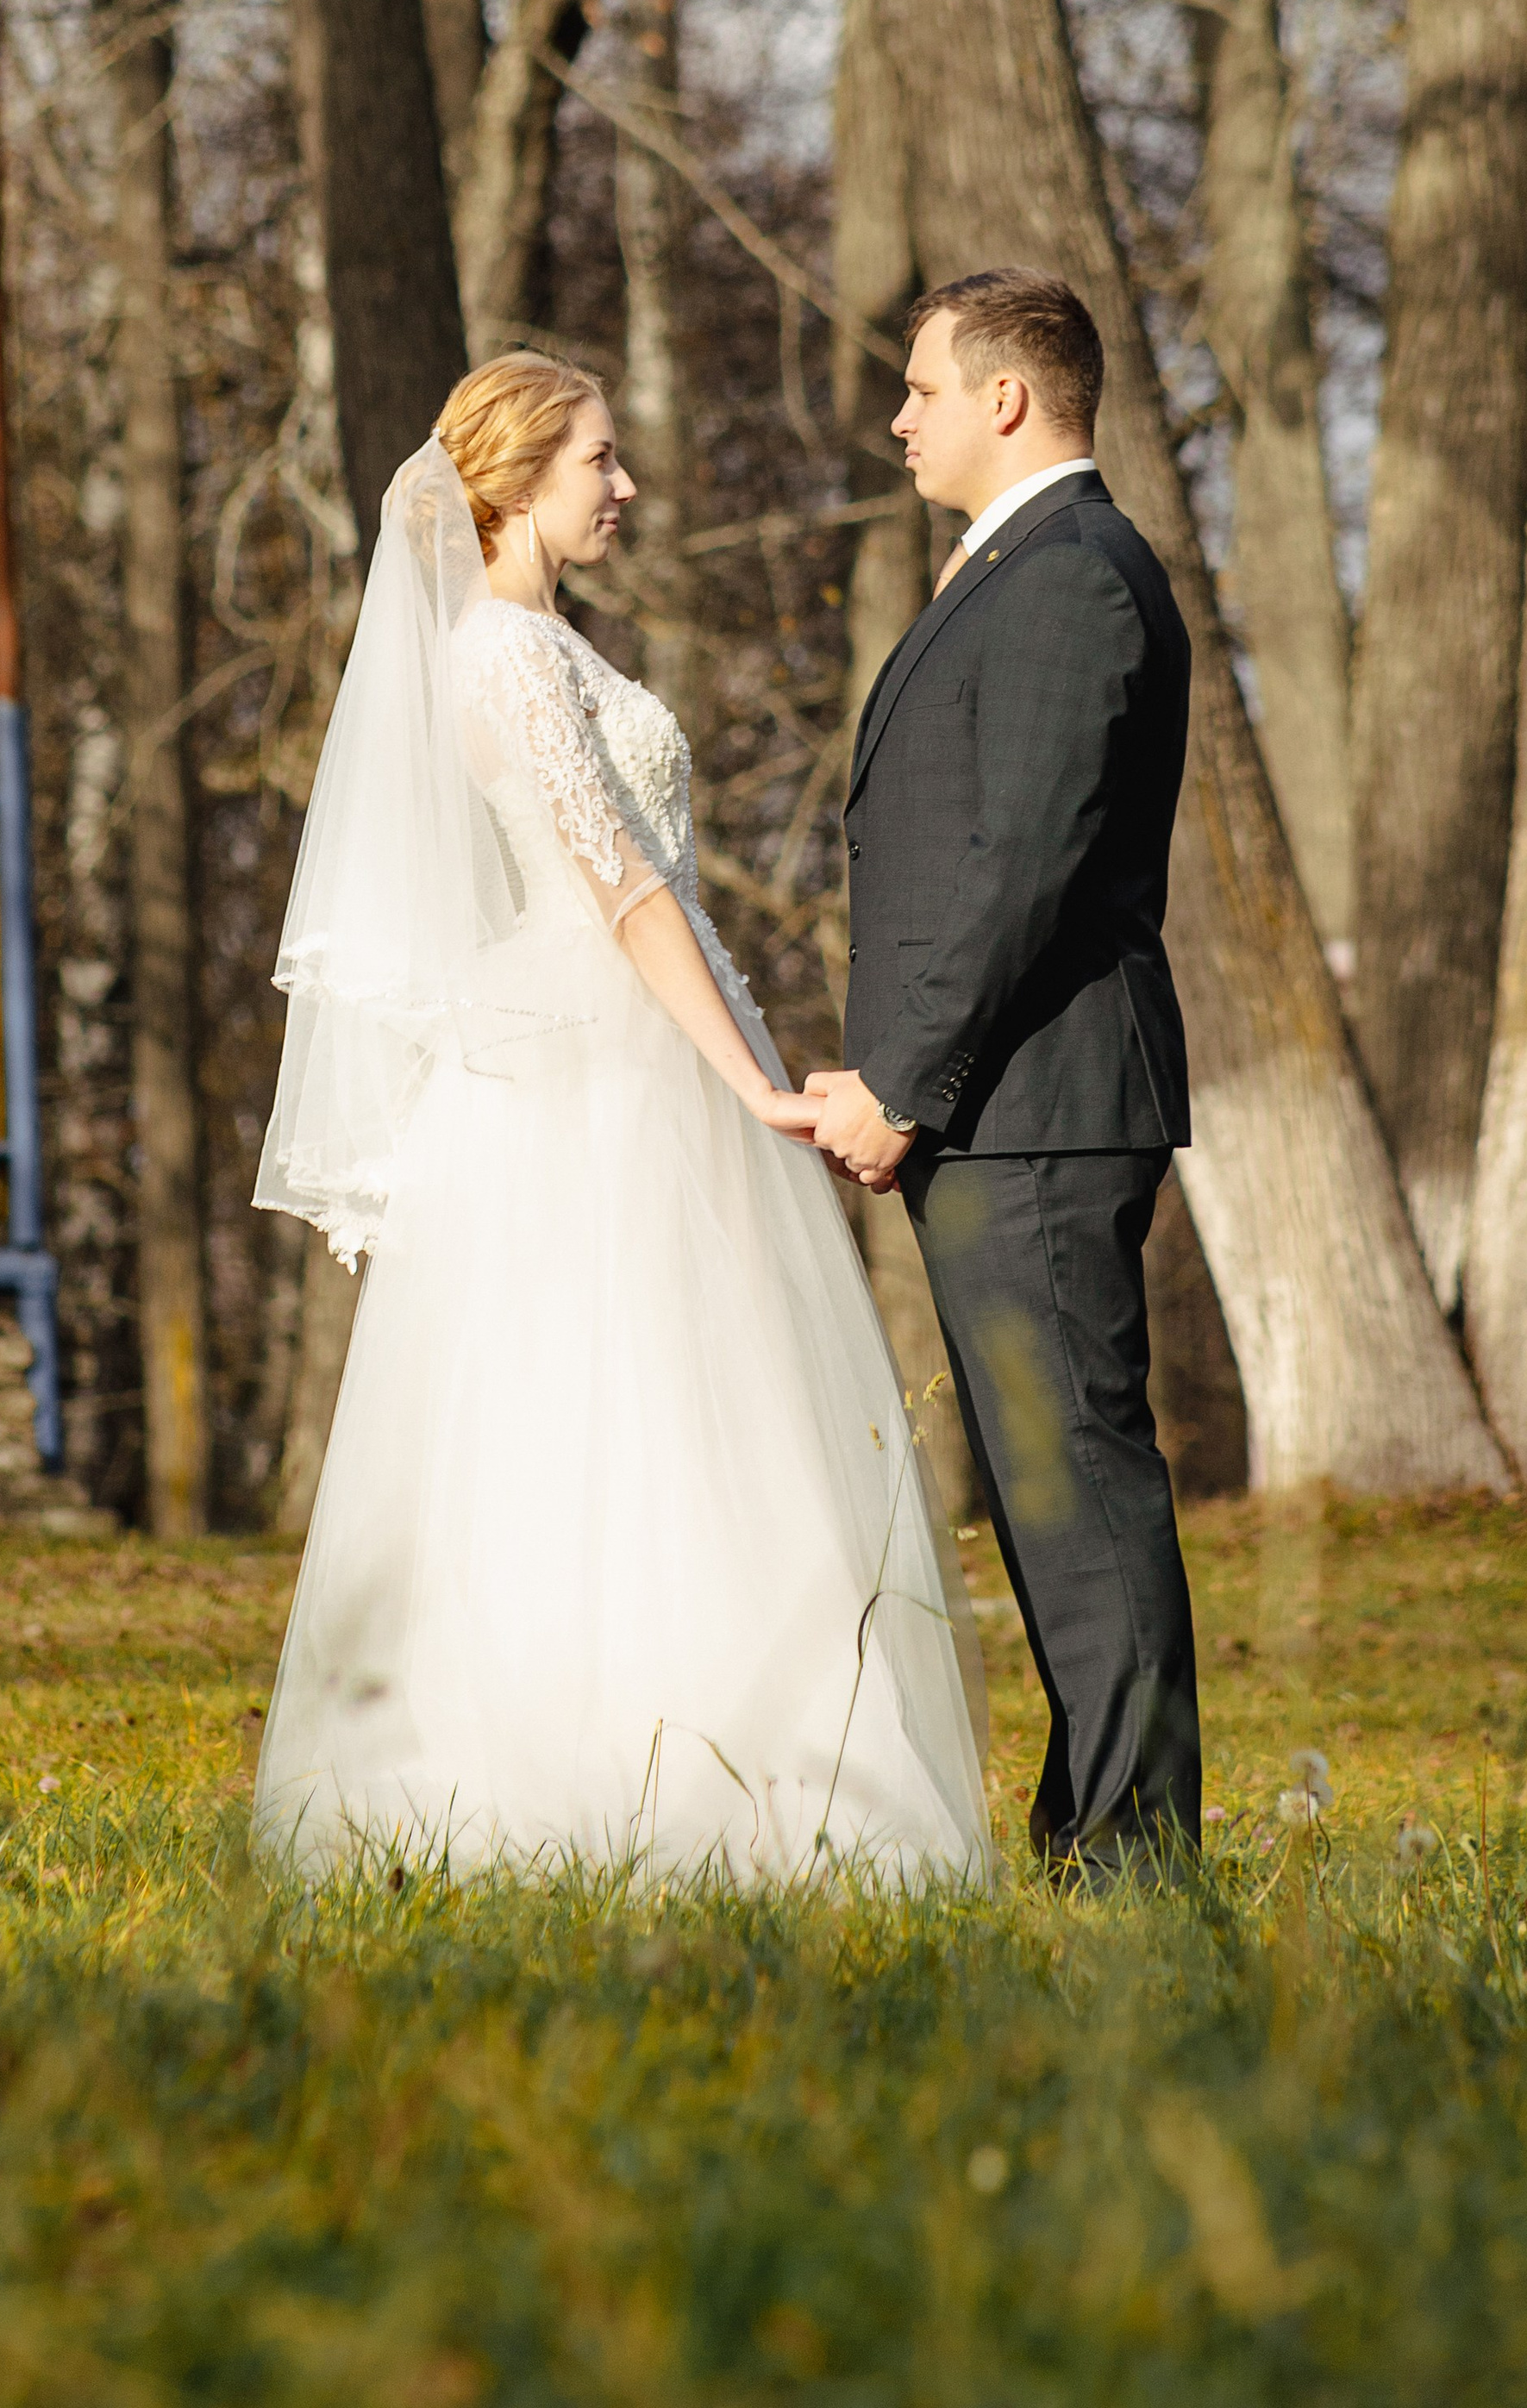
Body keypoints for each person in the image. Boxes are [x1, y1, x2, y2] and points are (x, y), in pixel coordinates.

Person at [250, 352, 990, 1886]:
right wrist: (751, 1086)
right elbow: (627, 891)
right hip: (599, 1065)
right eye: (600, 457)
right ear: (519, 479)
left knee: (682, 1404)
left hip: (624, 1040)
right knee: (614, 1405)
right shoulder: (507, 658)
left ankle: (714, 1761)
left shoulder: (538, 644)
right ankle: (613, 1784)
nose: (625, 484)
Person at [807, 269, 1201, 1883]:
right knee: (1050, 1497)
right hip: (1007, 1114)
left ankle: (1133, 1856)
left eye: (920, 389)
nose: (900, 418)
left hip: (1034, 1111)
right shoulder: (1023, 568)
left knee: (1080, 1488)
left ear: (1009, 399)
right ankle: (1093, 1832)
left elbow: (1022, 862)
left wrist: (904, 1080)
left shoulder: (1070, 581)